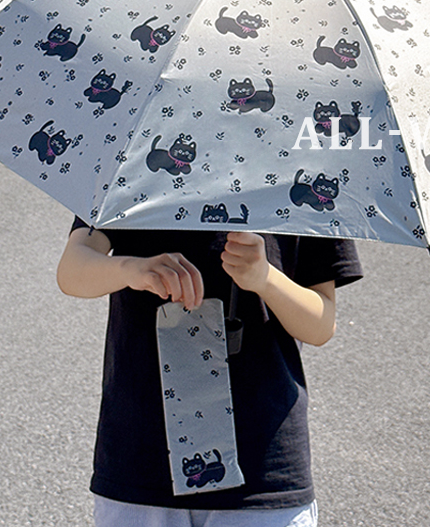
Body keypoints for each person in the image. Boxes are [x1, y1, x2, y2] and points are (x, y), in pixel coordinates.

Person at [57, 218, 362, 527]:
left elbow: (321, 325)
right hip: (141, 461)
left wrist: (266, 278)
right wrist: (131, 270)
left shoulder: (302, 176)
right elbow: (72, 268)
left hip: (261, 468)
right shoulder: (133, 170)